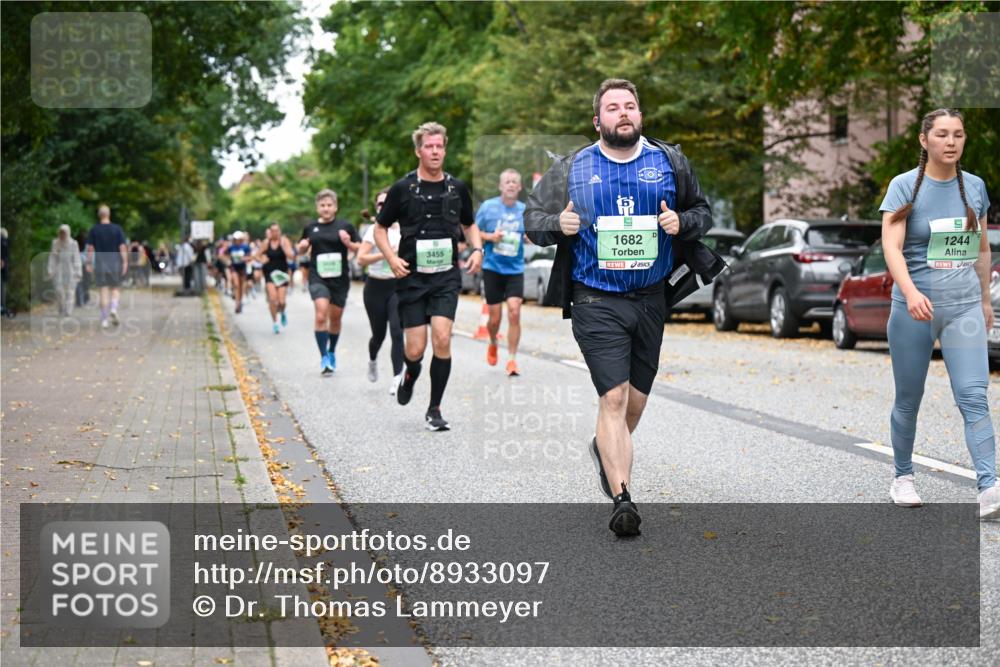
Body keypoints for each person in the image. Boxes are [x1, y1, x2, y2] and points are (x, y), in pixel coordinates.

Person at [525, 79, 713, 536]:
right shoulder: (572, 167)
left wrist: (681, 221)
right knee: (613, 397)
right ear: (598, 121)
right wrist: (559, 223)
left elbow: (704, 213)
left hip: (651, 298)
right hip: (594, 296)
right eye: (613, 107)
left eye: (630, 106)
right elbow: (532, 222)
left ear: (640, 116)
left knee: (633, 405)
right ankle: (622, 499)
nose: (623, 113)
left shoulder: (669, 161)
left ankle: (603, 449)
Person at [878, 108, 998, 520]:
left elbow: (981, 249)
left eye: (959, 135)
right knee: (909, 397)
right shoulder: (904, 187)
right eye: (943, 134)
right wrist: (909, 292)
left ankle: (989, 487)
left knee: (973, 395)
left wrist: (984, 299)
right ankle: (903, 477)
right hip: (915, 308)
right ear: (924, 139)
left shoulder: (976, 187)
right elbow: (891, 246)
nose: (952, 142)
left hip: (963, 306)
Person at [375, 121, 483, 431]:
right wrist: (391, 257)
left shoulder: (456, 188)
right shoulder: (402, 189)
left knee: (443, 337)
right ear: (418, 150)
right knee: (415, 349)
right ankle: (410, 373)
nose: (435, 151)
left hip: (445, 277)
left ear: (444, 149)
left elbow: (469, 224)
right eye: (429, 146)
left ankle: (434, 409)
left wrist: (477, 250)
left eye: (439, 146)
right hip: (411, 277)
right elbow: (379, 228)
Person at [298, 189, 361, 374]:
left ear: (335, 207)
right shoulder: (310, 228)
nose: (326, 208)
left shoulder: (345, 226)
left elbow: (359, 248)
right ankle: (323, 356)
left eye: (329, 205)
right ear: (317, 208)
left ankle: (332, 351)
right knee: (320, 314)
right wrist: (302, 247)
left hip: (340, 279)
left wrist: (348, 242)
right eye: (322, 205)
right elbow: (301, 249)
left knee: (335, 319)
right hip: (318, 277)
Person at [477, 169, 529, 376]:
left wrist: (529, 238)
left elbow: (531, 235)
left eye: (514, 182)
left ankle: (512, 359)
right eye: (507, 181)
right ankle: (492, 341)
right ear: (500, 186)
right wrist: (490, 237)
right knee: (495, 318)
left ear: (519, 187)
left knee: (515, 312)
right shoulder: (488, 207)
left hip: (515, 269)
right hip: (493, 268)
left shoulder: (525, 210)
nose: (510, 185)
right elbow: (473, 231)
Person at [357, 189, 405, 392]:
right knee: (379, 335)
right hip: (375, 287)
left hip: (396, 286)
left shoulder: (403, 229)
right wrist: (386, 255)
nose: (383, 207)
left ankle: (397, 377)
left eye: (387, 203)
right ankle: (373, 360)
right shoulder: (373, 230)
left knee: (397, 331)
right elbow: (361, 259)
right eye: (379, 204)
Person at [85, 205, 129, 329]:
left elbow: (90, 248)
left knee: (103, 291)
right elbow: (122, 247)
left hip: (100, 264)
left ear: (99, 215)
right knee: (115, 289)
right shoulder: (117, 229)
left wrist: (88, 263)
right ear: (109, 214)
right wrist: (125, 262)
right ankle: (113, 308)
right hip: (115, 263)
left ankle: (104, 319)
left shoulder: (94, 230)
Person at [256, 224, 294, 334]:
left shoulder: (284, 241)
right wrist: (262, 259)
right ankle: (275, 323)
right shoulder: (266, 243)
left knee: (281, 302)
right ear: (270, 232)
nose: (275, 233)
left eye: (277, 231)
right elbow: (257, 255)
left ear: (280, 231)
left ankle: (282, 312)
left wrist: (286, 249)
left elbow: (292, 256)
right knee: (273, 299)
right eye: (273, 231)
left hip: (282, 274)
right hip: (270, 274)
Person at [48, 224, 82, 317]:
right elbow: (53, 257)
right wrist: (50, 269)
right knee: (59, 290)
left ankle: (68, 310)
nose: (62, 235)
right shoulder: (55, 243)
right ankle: (61, 307)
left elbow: (77, 258)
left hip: (70, 268)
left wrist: (78, 271)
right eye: (61, 233)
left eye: (64, 233)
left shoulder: (73, 243)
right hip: (59, 269)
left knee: (70, 290)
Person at [228, 231, 251, 313]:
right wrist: (227, 261)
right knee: (236, 285)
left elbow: (250, 257)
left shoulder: (245, 247)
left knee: (241, 286)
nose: (237, 240)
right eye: (236, 239)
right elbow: (224, 255)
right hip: (234, 268)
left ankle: (239, 302)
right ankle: (237, 303)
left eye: (239, 239)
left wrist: (245, 259)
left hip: (242, 268)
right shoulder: (231, 247)